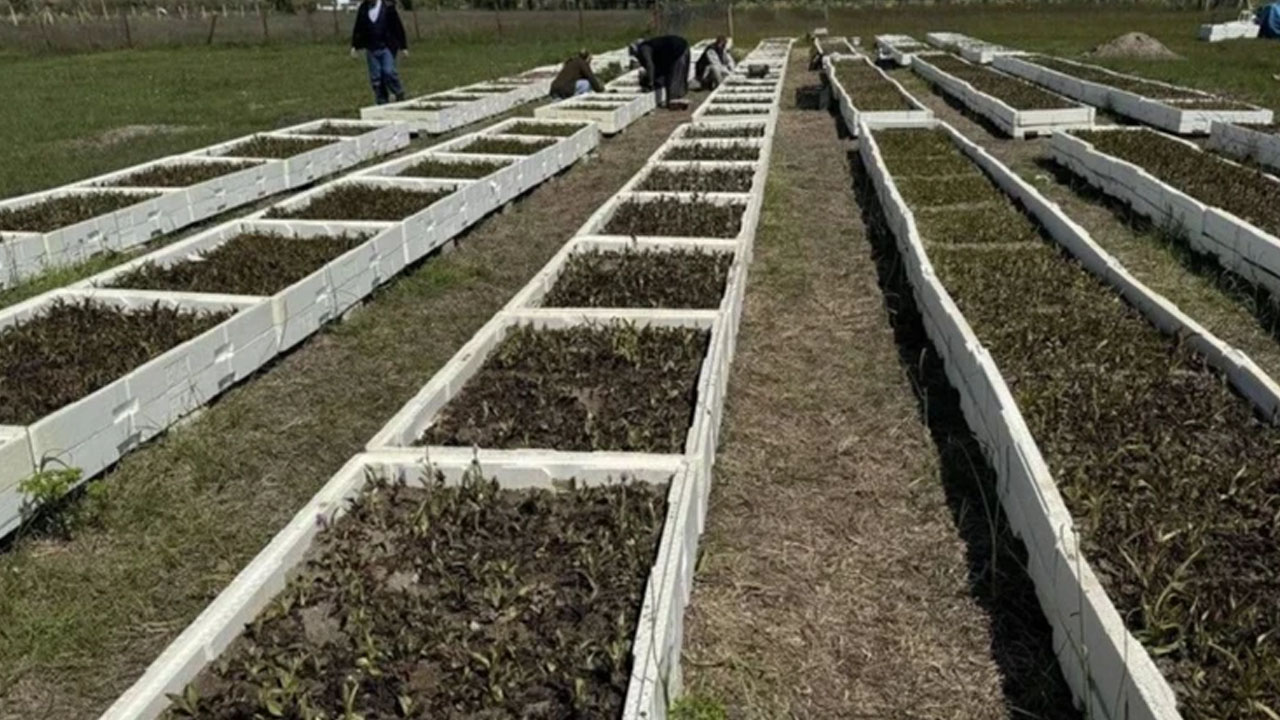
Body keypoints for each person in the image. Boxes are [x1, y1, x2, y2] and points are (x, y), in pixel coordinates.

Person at [350, 0, 409, 105]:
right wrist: (355, 46)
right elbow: (358, 27)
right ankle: (381, 100)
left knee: (388, 71)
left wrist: (403, 47)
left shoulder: (388, 7)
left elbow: (397, 27)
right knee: (376, 77)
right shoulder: (363, 8)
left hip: (387, 47)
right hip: (371, 48)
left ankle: (398, 92)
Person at [630, 35, 690, 108]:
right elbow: (659, 67)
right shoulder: (655, 46)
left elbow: (650, 66)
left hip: (677, 49)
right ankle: (677, 98)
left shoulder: (644, 48)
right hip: (683, 46)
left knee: (673, 76)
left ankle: (673, 101)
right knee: (678, 75)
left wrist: (650, 83)